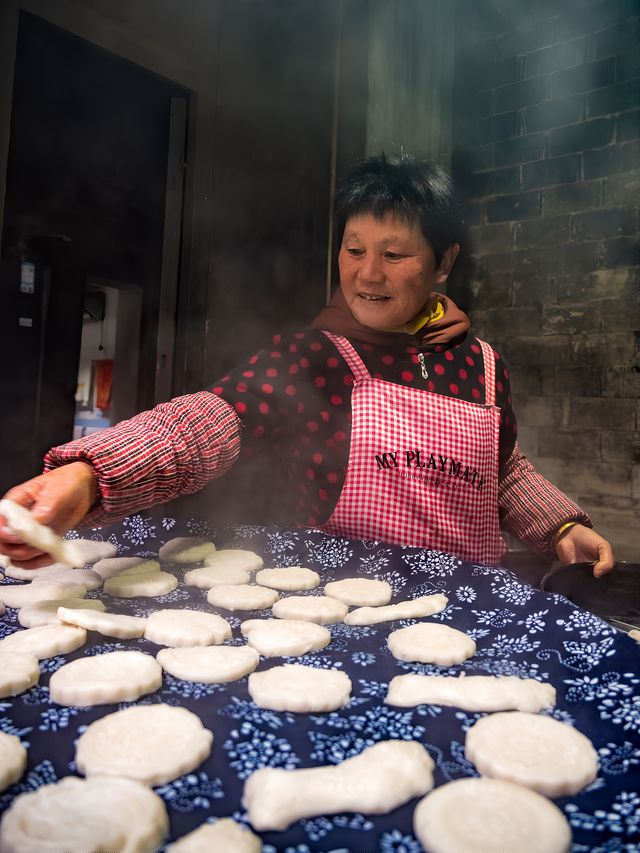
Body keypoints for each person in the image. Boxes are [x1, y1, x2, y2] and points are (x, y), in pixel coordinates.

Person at [0, 155, 614, 576]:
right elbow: (208, 423)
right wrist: (89, 476)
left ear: (443, 262)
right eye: (354, 250)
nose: (367, 274)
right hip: (338, 608)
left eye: (394, 254)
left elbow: (500, 470)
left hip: (471, 608)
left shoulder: (482, 365)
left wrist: (560, 528)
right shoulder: (315, 357)